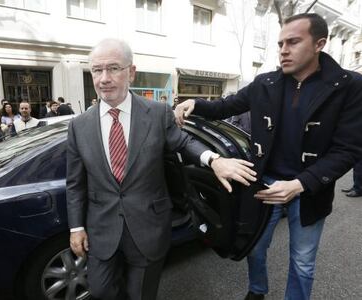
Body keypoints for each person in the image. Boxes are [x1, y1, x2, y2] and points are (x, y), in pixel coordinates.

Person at [175, 13, 362, 300]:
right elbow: (226, 106)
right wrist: (193, 103)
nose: (283, 50)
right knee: (254, 247)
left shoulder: (349, 86)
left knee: (302, 263)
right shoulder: (266, 83)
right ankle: (257, 290)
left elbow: (347, 150)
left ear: (319, 44)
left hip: (310, 190)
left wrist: (299, 185)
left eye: (293, 42)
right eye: (280, 43)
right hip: (264, 184)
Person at [66, 38, 257, 300]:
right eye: (97, 70)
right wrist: (76, 227)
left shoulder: (157, 113)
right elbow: (75, 183)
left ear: (131, 72)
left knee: (142, 294)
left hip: (148, 226)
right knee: (100, 291)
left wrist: (215, 160)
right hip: (101, 229)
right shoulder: (78, 126)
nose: (104, 78)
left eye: (113, 68)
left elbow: (184, 142)